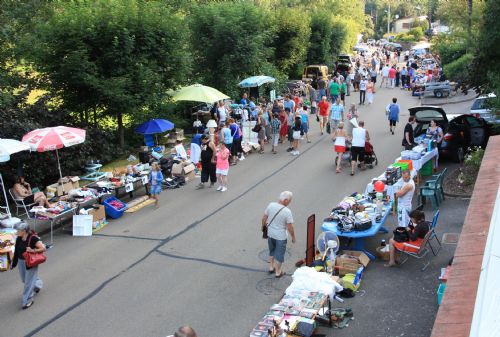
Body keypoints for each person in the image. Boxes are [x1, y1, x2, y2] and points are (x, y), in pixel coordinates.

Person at [11, 222, 46, 309]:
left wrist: (32, 250)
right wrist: (14, 263)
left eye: (18, 230)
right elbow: (16, 251)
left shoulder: (33, 238)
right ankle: (38, 284)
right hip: (21, 262)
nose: (16, 232)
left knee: (28, 282)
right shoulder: (19, 239)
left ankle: (27, 300)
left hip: (30, 262)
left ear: (24, 231)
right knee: (24, 279)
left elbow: (43, 248)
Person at [262, 191, 296, 278]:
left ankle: (271, 267)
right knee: (280, 254)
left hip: (270, 234)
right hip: (280, 237)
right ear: (285, 200)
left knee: (271, 250)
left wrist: (263, 227)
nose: (289, 202)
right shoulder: (287, 211)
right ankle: (278, 272)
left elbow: (264, 217)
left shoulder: (271, 205)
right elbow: (290, 227)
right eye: (289, 201)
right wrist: (293, 237)